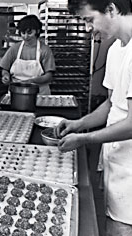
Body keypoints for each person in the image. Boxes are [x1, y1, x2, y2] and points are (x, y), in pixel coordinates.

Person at [55, 0, 132, 235]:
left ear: (110, 9)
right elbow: (111, 104)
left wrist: (85, 139)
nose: (89, 29)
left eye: (89, 20)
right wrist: (79, 125)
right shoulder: (115, 50)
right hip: (117, 159)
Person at [0, 15, 56, 95]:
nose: (25, 36)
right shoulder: (15, 49)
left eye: (29, 33)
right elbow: (5, 69)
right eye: (23, 33)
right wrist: (5, 76)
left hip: (39, 93)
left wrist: (31, 81)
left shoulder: (45, 50)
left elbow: (49, 76)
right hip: (17, 93)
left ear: (37, 31)